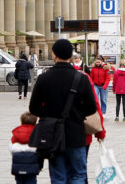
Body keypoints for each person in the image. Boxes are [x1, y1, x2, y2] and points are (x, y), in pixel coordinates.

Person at [29, 39, 98, 183]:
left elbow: (33, 108)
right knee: (78, 174)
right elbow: (91, 108)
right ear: (71, 57)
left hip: (52, 134)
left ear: (54, 55)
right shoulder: (82, 78)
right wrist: (77, 113)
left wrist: (48, 113)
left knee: (58, 175)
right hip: (76, 134)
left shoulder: (44, 78)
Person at [10, 111, 41, 184]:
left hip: (18, 161)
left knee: (19, 180)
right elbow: (40, 147)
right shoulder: (36, 132)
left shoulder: (17, 132)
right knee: (31, 179)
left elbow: (11, 147)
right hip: (32, 160)